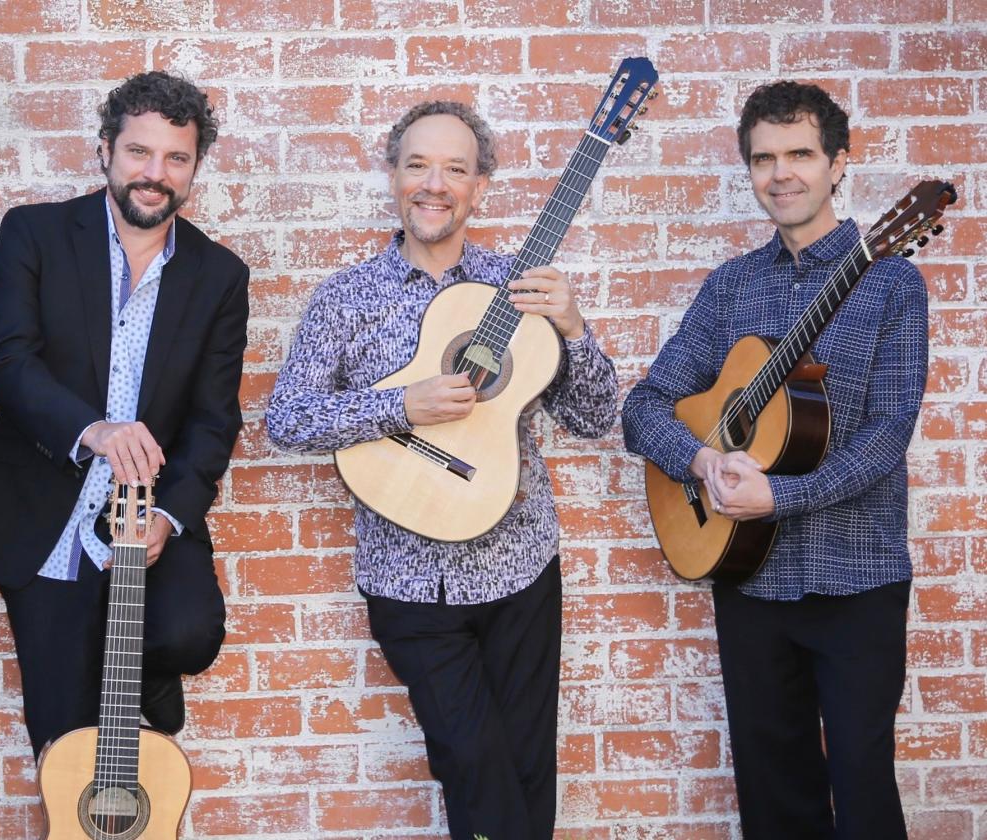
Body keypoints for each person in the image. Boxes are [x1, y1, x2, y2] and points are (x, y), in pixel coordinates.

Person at [266, 101, 618, 840]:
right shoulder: (345, 298)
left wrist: (574, 328)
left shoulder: (519, 290)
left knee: (525, 766)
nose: (435, 184)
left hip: (519, 566)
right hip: (407, 578)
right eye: (418, 164)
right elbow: (287, 419)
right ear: (392, 175)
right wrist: (402, 404)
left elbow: (593, 418)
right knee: (470, 758)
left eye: (455, 169)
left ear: (480, 187)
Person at [622, 81, 926, 839]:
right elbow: (645, 406)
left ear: (838, 164)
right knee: (772, 792)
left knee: (860, 786)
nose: (781, 173)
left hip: (857, 578)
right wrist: (699, 463)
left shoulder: (890, 280)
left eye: (800, 154)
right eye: (764, 158)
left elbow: (887, 438)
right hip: (749, 579)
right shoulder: (731, 288)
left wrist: (779, 500)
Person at [0, 71, 249, 757]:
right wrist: (95, 430)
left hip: (148, 510)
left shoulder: (220, 275)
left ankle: (144, 682)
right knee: (64, 743)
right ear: (106, 150)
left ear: (195, 167)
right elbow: (8, 361)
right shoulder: (35, 234)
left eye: (176, 158)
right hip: (45, 508)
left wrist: (171, 519)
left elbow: (212, 419)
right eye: (139, 152)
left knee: (188, 635)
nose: (155, 173)